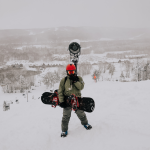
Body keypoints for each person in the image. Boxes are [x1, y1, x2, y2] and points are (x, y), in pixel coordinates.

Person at [58, 64, 92, 137]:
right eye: (69, 72)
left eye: (72, 72)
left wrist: (75, 81)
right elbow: (60, 91)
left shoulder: (79, 78)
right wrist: (62, 101)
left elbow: (81, 87)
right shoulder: (64, 80)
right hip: (67, 101)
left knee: (81, 113)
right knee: (65, 116)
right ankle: (64, 130)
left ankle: (85, 123)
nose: (71, 74)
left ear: (75, 71)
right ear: (67, 72)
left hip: (77, 100)